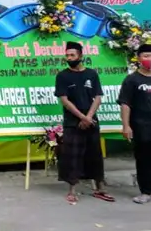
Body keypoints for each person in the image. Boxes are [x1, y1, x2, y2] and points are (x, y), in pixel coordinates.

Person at [54, 41, 114, 204]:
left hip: (92, 122)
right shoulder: (62, 76)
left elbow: (98, 97)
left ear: (81, 56)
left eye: (72, 55)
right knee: (73, 157)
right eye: (67, 55)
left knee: (95, 155)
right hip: (73, 123)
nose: (69, 58)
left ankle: (100, 188)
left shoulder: (92, 74)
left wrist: (89, 117)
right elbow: (65, 100)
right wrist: (82, 117)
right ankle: (72, 190)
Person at [117, 43, 151, 204]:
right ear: (139, 58)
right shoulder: (131, 80)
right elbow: (125, 104)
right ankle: (145, 192)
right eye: (146, 56)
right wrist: (126, 126)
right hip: (141, 127)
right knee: (144, 161)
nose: (150, 59)